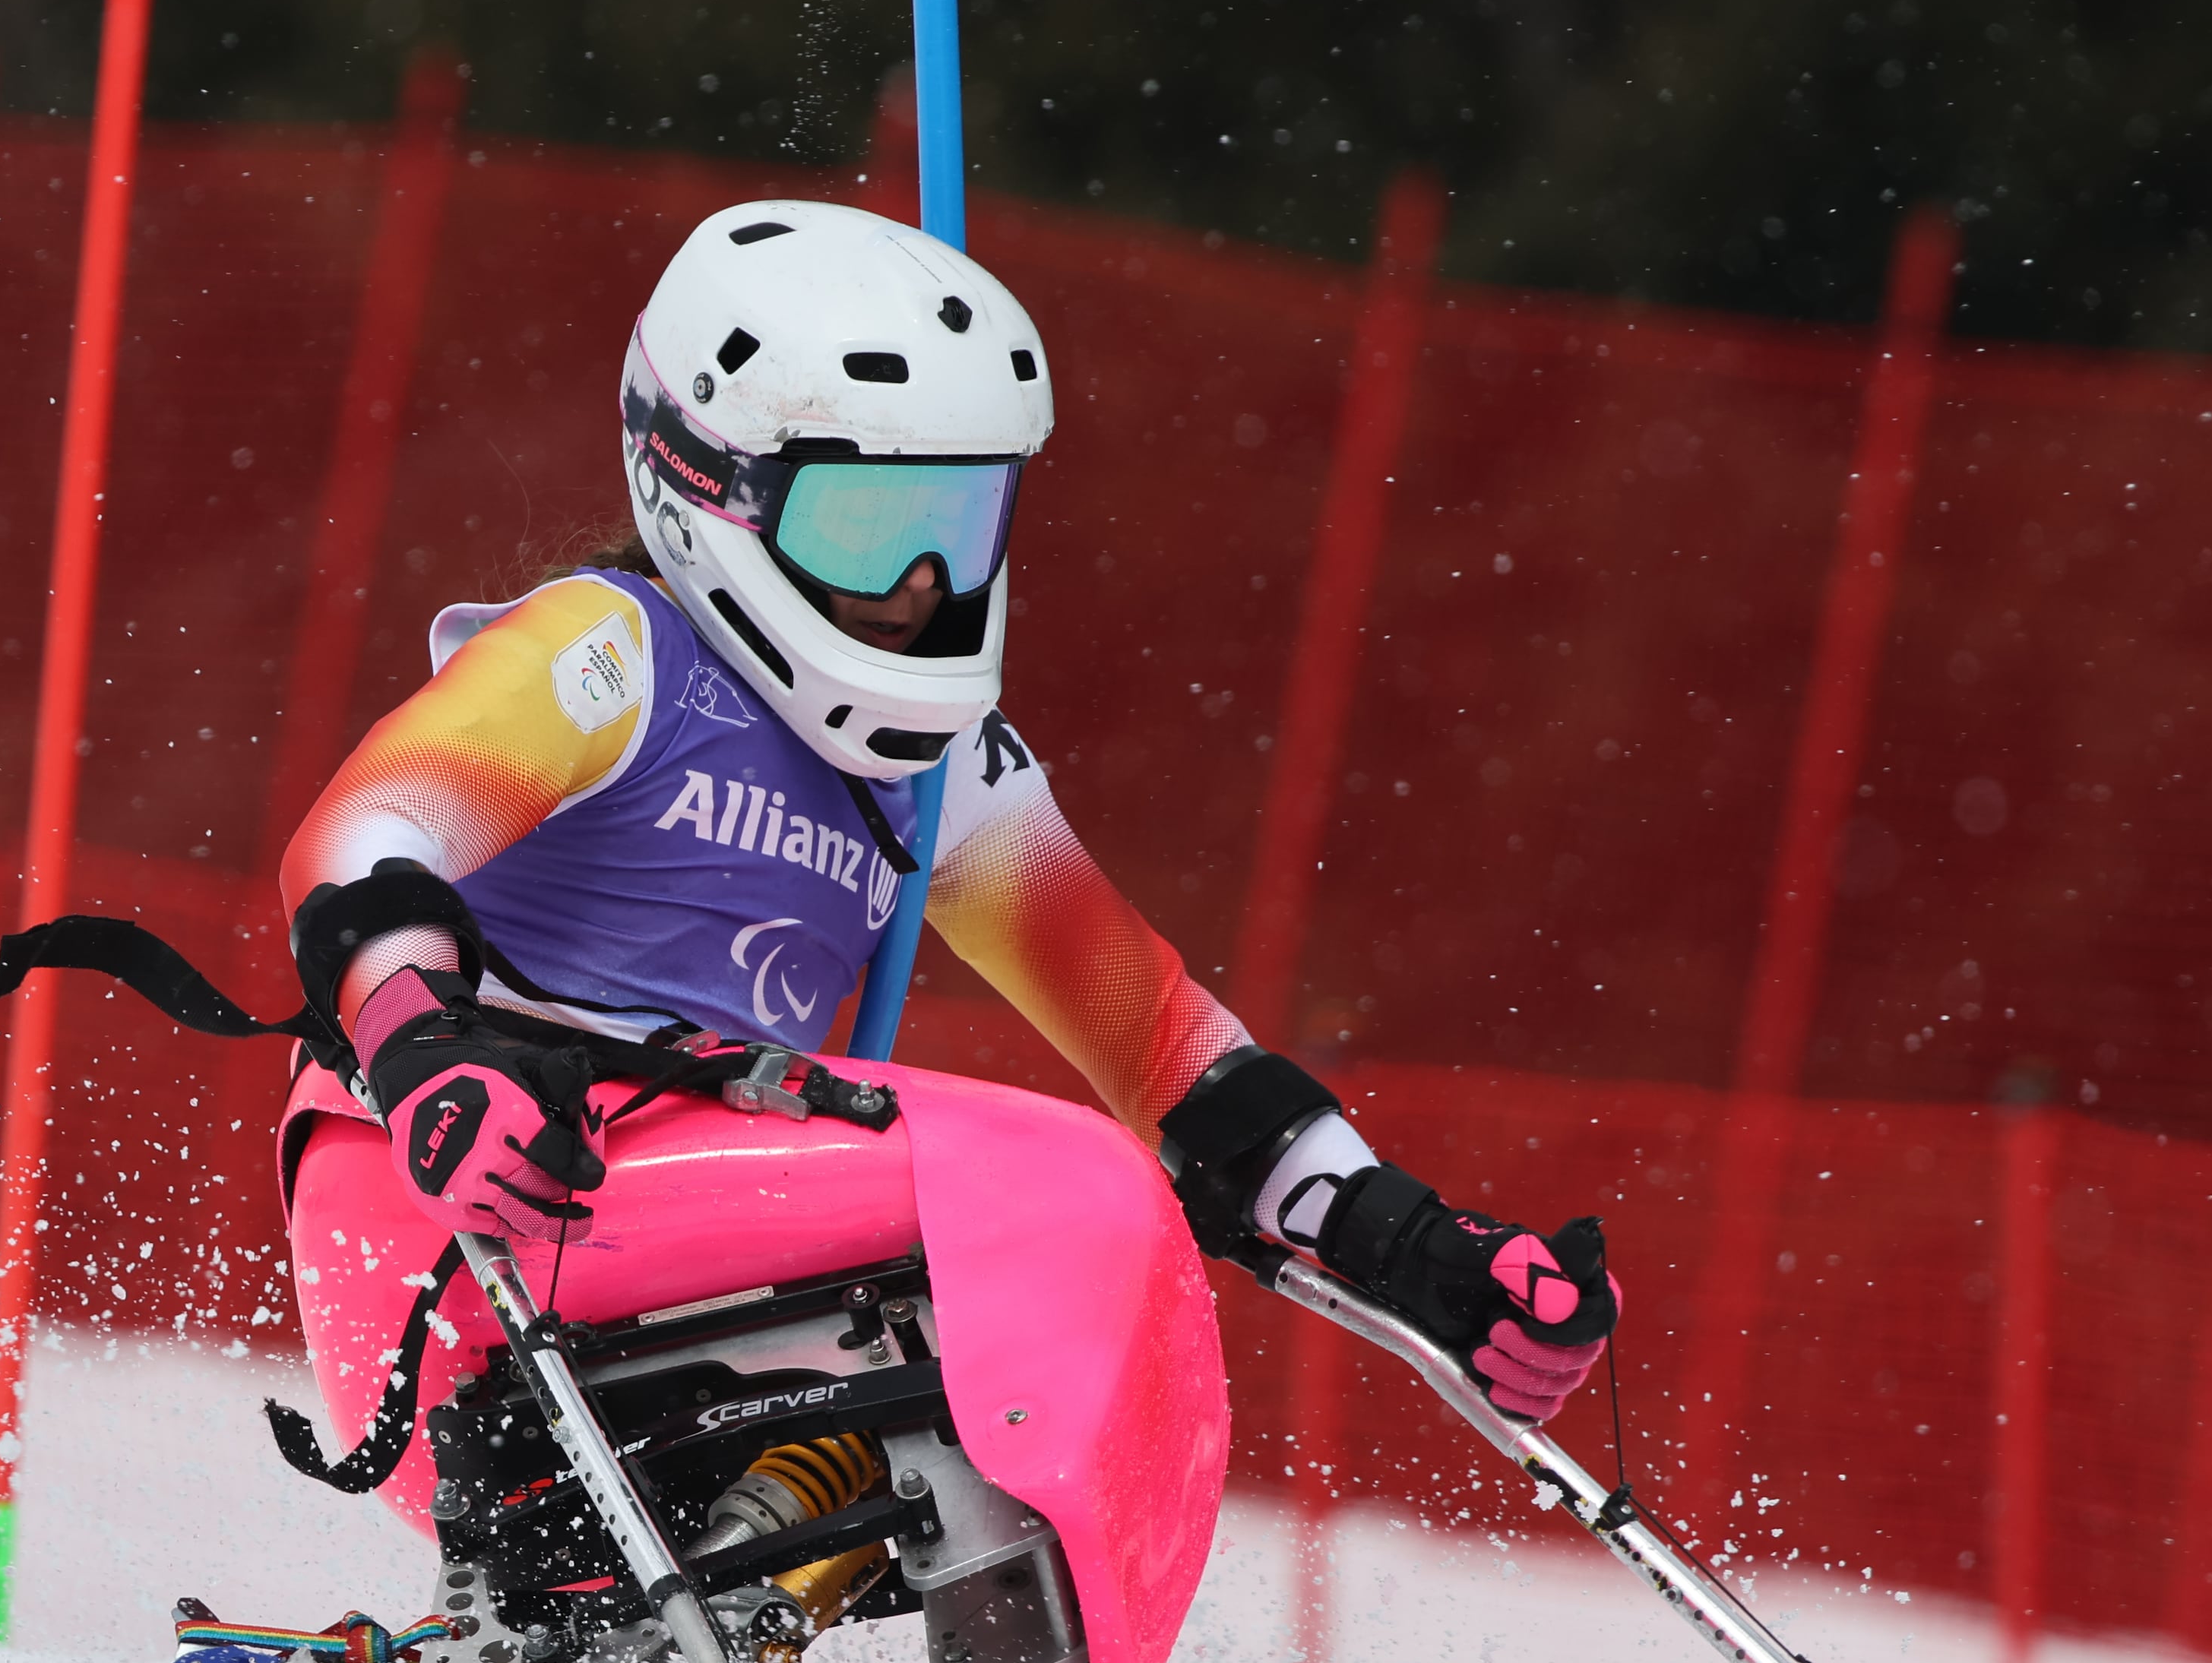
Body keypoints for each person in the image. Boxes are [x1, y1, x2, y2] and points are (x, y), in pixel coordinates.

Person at [274, 198, 1617, 1431]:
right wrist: (421, 1042)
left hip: (674, 1242)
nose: (921, 587)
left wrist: (1402, 1233)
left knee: (1090, 1321)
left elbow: (1149, 1034)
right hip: (451, 1203)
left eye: (959, 526)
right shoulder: (615, 657)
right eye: (871, 528)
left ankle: (718, 1609)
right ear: (709, 484)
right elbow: (359, 838)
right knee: (1062, 1207)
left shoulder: (939, 772)